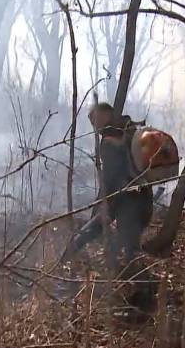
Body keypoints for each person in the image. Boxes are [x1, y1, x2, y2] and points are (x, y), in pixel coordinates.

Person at [65, 102, 154, 266]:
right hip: (144, 194)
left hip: (125, 198)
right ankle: (124, 273)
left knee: (122, 243)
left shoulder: (109, 140)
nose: (94, 126)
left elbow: (111, 176)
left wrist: (106, 203)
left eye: (94, 120)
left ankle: (66, 258)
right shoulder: (130, 129)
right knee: (128, 244)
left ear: (105, 115)